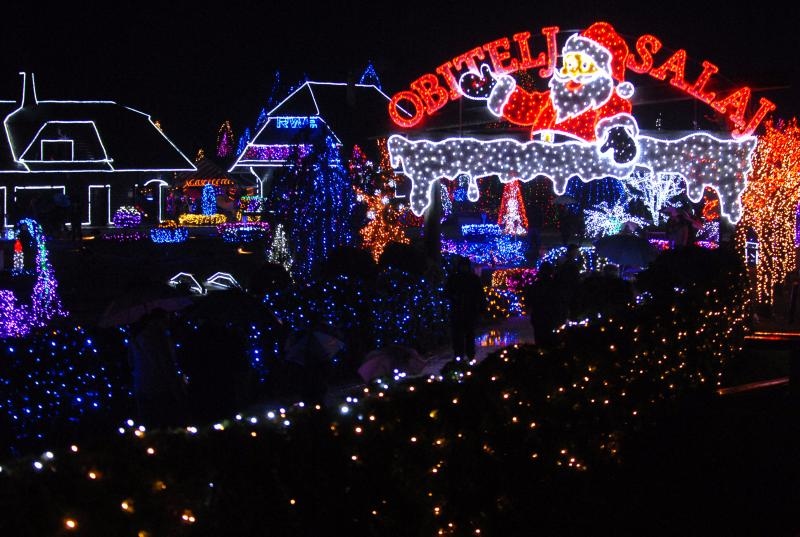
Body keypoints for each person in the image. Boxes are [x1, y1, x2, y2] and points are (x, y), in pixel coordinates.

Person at [127, 309, 188, 428]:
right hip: (161, 387)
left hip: (141, 387)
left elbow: (131, 363)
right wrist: (177, 388)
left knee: (152, 427)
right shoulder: (160, 337)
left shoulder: (135, 338)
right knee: (169, 425)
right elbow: (167, 364)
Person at [445, 257, 485, 362]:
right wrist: (454, 297)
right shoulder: (454, 278)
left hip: (469, 310)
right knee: (458, 334)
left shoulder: (473, 279)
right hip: (458, 310)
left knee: (469, 334)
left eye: (465, 266)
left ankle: (469, 354)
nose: (464, 268)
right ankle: (459, 354)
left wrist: (481, 309)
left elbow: (480, 295)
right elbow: (447, 292)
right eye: (462, 266)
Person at [525, 262, 564, 346]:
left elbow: (529, 300)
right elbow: (559, 300)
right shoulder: (555, 285)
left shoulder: (535, 285)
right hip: (552, 317)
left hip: (539, 316)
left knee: (540, 340)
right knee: (552, 341)